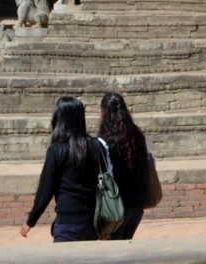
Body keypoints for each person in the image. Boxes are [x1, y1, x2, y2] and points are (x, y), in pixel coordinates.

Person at [21, 96, 104, 242]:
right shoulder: (96, 146)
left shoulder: (56, 150)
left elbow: (45, 192)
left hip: (67, 222)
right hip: (92, 222)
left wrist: (30, 221)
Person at [97, 92, 150, 240]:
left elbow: (103, 177)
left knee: (113, 255)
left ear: (103, 113)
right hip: (136, 206)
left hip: (114, 208)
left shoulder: (103, 142)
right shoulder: (138, 137)